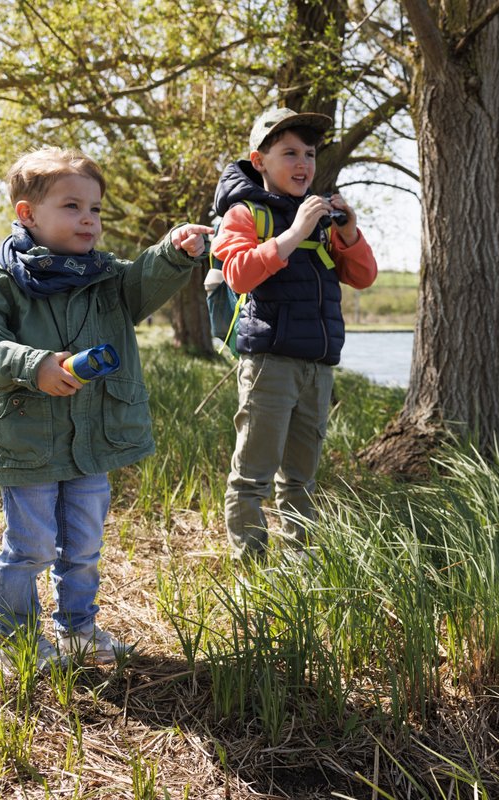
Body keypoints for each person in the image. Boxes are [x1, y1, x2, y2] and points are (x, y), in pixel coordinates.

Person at [0, 147, 212, 673]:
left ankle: (78, 629)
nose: (89, 219)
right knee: (30, 547)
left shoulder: (108, 278)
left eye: (95, 209)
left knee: (84, 547)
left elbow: (146, 281)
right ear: (28, 214)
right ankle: (16, 639)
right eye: (72, 206)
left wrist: (174, 251)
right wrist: (34, 364)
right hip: (31, 440)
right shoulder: (1, 282)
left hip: (92, 442)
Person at [211, 107, 378, 561]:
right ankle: (252, 572)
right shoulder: (245, 214)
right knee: (253, 477)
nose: (304, 163)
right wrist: (296, 231)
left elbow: (363, 277)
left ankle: (299, 567)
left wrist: (349, 231)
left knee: (300, 479)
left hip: (317, 366)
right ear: (259, 160)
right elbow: (239, 275)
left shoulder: (321, 219)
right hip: (270, 363)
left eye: (309, 153)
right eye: (289, 153)